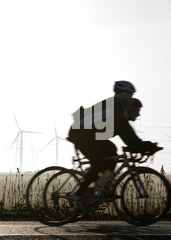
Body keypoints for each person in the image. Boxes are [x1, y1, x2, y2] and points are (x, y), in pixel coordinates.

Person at [67, 81, 158, 209]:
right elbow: (127, 134)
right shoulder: (116, 107)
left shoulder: (118, 108)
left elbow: (127, 135)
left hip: (91, 134)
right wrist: (144, 146)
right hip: (81, 134)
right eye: (130, 97)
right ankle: (79, 194)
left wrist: (141, 146)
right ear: (125, 96)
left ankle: (98, 188)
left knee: (112, 152)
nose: (138, 114)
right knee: (99, 162)